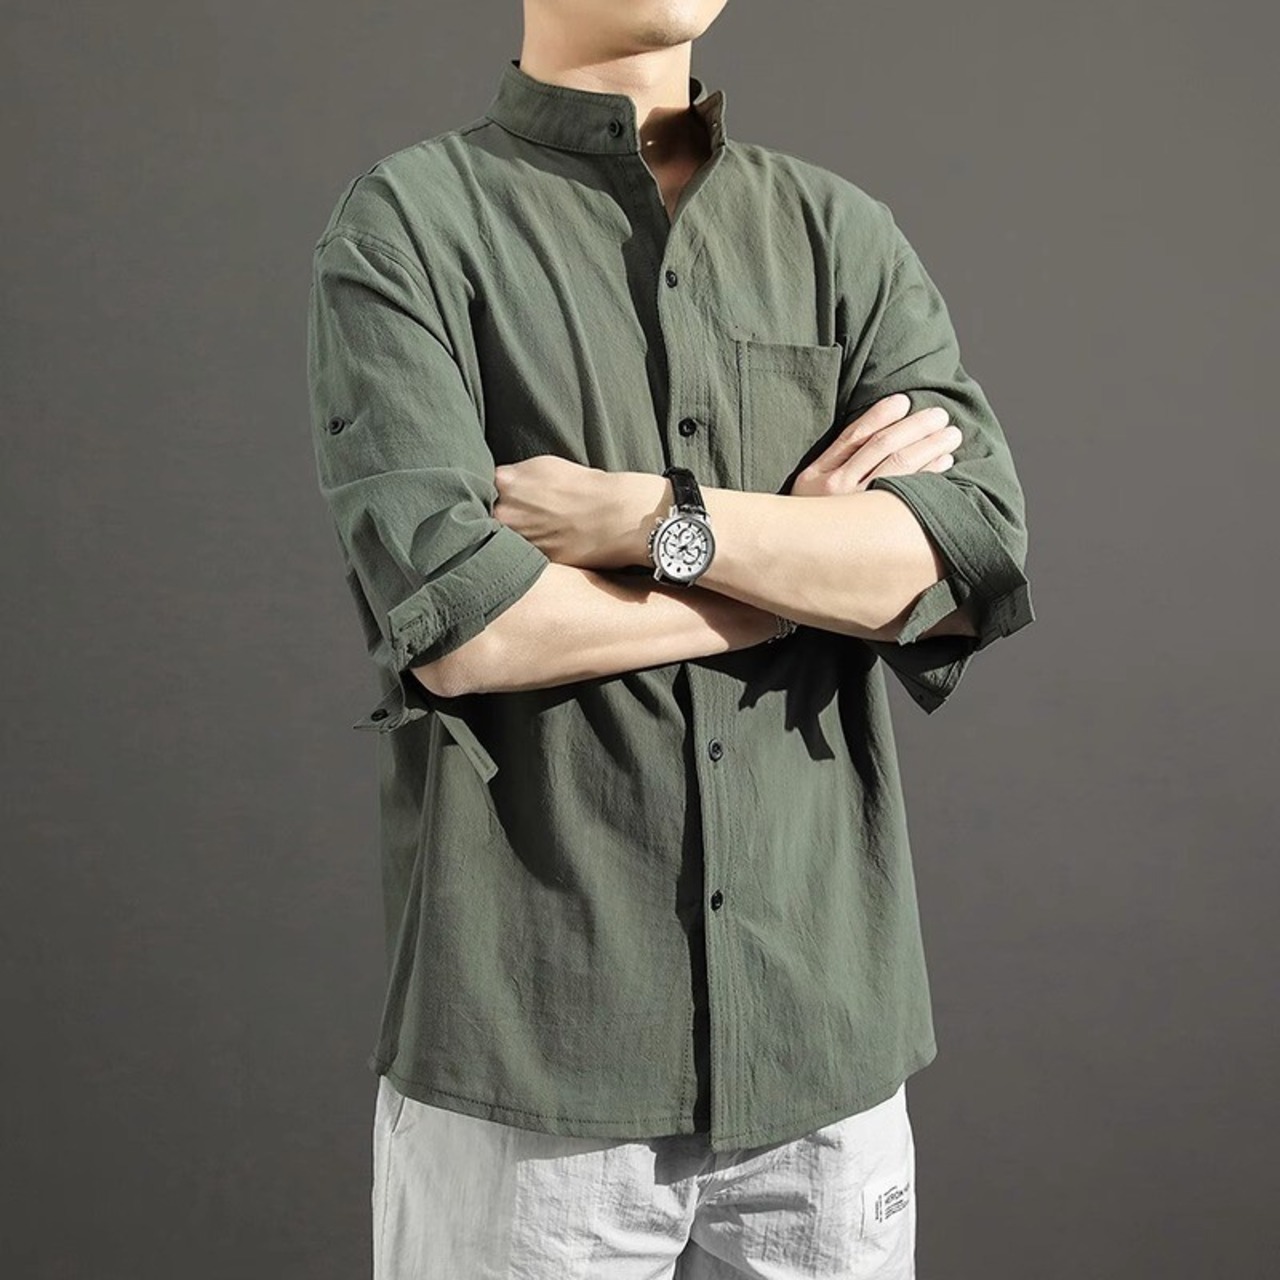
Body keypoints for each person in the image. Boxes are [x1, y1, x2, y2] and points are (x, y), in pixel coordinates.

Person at [306, 2, 1035, 1276]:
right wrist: (794, 567)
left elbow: (966, 557)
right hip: (534, 1066)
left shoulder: (837, 232)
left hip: (826, 1056)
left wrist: (645, 518)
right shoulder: (407, 224)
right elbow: (466, 626)